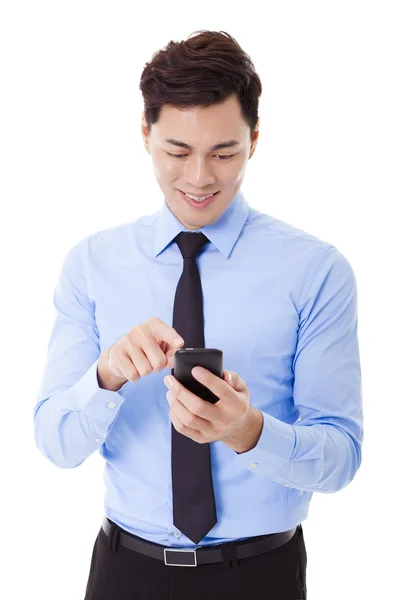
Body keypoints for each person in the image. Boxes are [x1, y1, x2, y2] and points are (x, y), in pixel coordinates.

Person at [33, 30, 363, 600]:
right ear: (145, 134)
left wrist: (247, 431)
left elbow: (340, 459)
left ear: (255, 140)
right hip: (124, 572)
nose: (200, 178)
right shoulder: (92, 264)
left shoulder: (316, 271)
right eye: (178, 152)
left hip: (262, 575)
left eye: (224, 152)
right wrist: (106, 375)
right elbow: (56, 443)